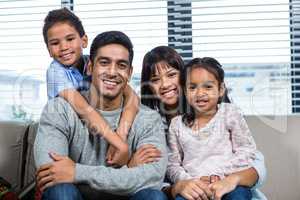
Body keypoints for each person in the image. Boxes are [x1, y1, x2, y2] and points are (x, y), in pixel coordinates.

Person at [34, 31, 168, 200]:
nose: (112, 72)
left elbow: (152, 179)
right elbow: (50, 173)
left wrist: (77, 172)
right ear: (90, 67)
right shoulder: (59, 110)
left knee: (153, 197)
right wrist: (128, 170)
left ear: (129, 72)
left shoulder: (148, 118)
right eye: (104, 63)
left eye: (121, 65)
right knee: (61, 191)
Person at [139, 46, 267, 200]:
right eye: (155, 79)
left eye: (171, 75)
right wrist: (181, 185)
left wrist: (223, 177)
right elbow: (156, 172)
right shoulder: (153, 124)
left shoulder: (224, 112)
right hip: (185, 188)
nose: (164, 84)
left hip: (226, 184)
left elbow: (253, 158)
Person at [43, 8, 139, 166]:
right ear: (48, 49)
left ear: (84, 41)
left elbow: (132, 97)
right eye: (55, 43)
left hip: (93, 131)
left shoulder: (94, 63)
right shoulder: (55, 71)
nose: (63, 47)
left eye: (70, 39)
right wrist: (119, 144)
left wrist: (121, 136)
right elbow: (83, 109)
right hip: (68, 130)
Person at [167, 57, 258, 200]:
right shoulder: (176, 125)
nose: (200, 93)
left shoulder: (230, 113)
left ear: (221, 89)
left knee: (239, 196)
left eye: (208, 87)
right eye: (192, 87)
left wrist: (219, 176)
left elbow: (246, 150)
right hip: (194, 186)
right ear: (185, 91)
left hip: (227, 183)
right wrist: (190, 180)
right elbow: (173, 164)